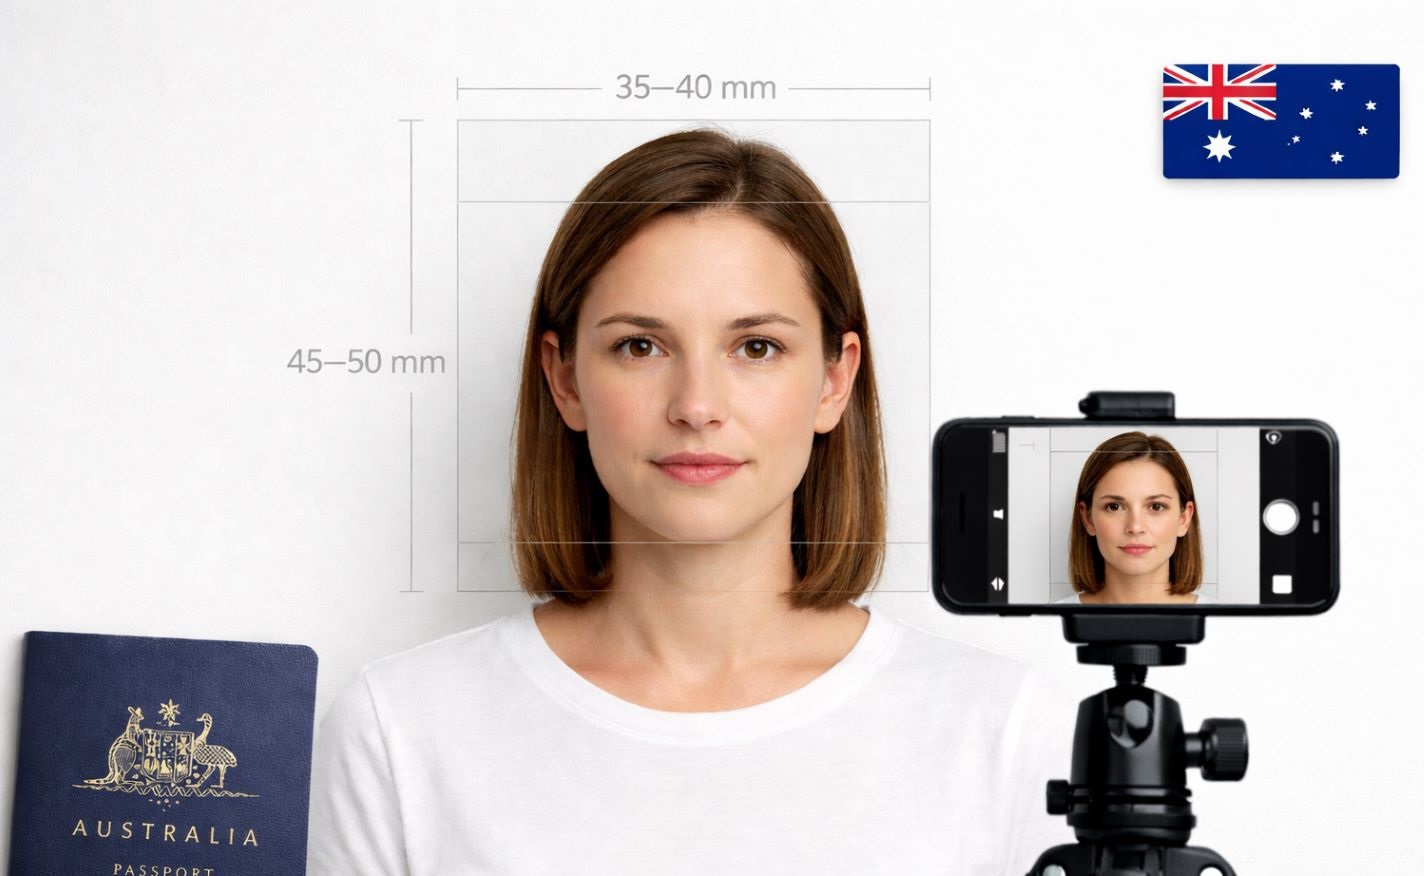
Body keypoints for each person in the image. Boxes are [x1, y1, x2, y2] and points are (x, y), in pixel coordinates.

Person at [308, 128, 1072, 875]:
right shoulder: (400, 730)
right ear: (564, 379)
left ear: (834, 381)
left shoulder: (1003, 732)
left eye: (756, 347)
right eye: (640, 346)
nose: (697, 406)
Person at [1054, 431, 1215, 605]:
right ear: (1087, 518)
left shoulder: (1226, 621)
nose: (1135, 527)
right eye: (1114, 506)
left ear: (1184, 519)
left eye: (1156, 506)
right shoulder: (1046, 620)